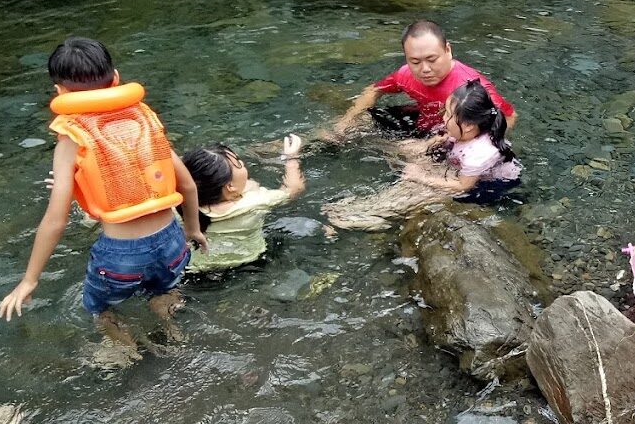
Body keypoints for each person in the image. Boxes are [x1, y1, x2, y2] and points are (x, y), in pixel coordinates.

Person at [0, 38, 207, 344]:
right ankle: (174, 335)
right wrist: (193, 229)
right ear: (117, 79)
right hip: (172, 242)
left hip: (122, 256)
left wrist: (29, 280)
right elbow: (186, 183)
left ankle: (126, 354)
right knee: (164, 292)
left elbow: (56, 220)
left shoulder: (72, 136)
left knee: (101, 306)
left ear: (60, 92)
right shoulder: (144, 118)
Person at [324, 81, 522, 230]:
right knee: (411, 150)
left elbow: (463, 186)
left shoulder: (481, 153)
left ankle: (372, 213)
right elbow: (449, 143)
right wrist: (430, 144)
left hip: (486, 186)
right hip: (461, 165)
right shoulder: (469, 131)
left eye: (448, 115)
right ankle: (372, 203)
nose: (443, 117)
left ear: (469, 125)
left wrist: (423, 178)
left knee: (422, 186)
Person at [330, 20, 516, 139]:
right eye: (415, 61)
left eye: (432, 59)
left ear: (448, 50)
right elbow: (375, 90)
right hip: (423, 121)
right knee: (356, 124)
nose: (425, 69)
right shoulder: (405, 74)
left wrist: (465, 145)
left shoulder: (471, 87)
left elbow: (508, 116)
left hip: (453, 133)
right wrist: (347, 119)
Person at [182, 135, 306, 273]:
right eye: (238, 163)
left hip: (195, 269)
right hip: (247, 265)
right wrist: (291, 158)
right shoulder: (255, 202)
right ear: (230, 187)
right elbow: (294, 189)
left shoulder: (179, 208)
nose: (242, 163)